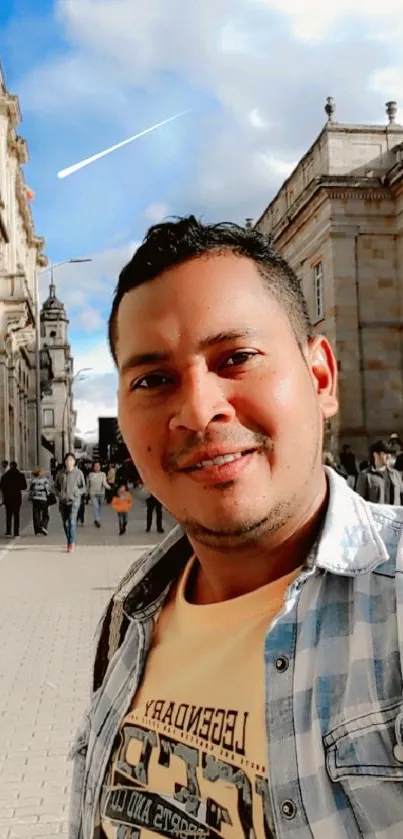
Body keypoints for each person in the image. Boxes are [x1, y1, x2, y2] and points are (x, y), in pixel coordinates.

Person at [68, 216, 403, 839]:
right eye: (153, 380)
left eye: (238, 357)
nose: (198, 410)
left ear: (321, 378)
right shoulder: (128, 615)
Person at [54, 453, 86, 552]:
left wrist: (78, 493)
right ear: (65, 462)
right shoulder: (60, 473)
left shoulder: (78, 473)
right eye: (67, 460)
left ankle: (70, 543)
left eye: (71, 460)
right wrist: (59, 494)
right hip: (63, 501)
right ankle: (70, 539)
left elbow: (83, 487)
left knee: (72, 521)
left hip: (75, 500)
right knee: (65, 523)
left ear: (74, 462)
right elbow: (55, 486)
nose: (69, 462)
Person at [356, 440, 403, 505]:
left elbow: (401, 495)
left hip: (394, 514)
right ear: (375, 455)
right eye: (385, 453)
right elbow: (360, 502)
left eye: (389, 454)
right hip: (376, 514)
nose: (388, 456)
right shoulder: (365, 475)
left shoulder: (395, 474)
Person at [0, 461, 26, 537]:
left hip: (8, 497)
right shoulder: (20, 475)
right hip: (17, 497)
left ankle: (8, 532)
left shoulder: (5, 476)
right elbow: (24, 486)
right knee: (16, 515)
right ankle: (16, 533)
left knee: (8, 515)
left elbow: (1, 487)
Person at [86, 462, 110, 527]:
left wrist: (109, 487)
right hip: (93, 493)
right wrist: (86, 492)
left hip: (101, 493)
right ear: (93, 467)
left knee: (100, 507)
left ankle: (97, 518)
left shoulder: (103, 474)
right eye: (95, 466)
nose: (97, 467)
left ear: (100, 467)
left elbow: (104, 483)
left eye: (98, 466)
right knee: (96, 506)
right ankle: (98, 520)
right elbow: (88, 485)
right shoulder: (90, 474)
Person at [29, 467, 51, 535]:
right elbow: (47, 491)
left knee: (36, 515)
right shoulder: (45, 480)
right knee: (45, 515)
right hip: (43, 499)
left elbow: (31, 491)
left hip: (35, 499)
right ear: (40, 473)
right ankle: (43, 526)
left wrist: (31, 497)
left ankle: (37, 530)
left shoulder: (33, 481)